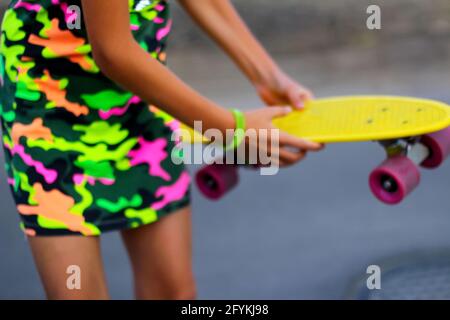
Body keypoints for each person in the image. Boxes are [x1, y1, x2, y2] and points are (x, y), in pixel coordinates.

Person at [0, 0, 322, 299]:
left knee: (173, 294)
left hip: (140, 97)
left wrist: (266, 75)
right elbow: (113, 50)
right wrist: (231, 130)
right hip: (50, 107)